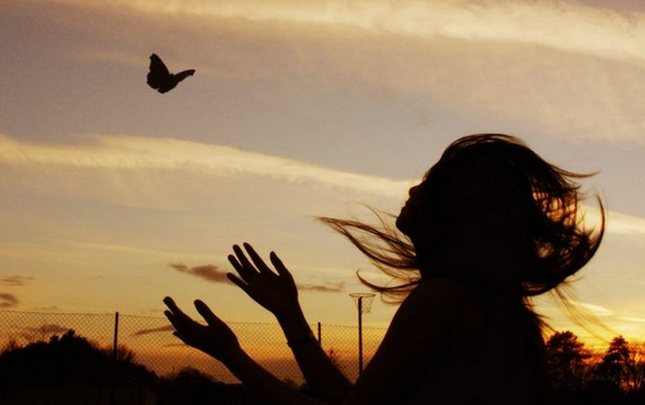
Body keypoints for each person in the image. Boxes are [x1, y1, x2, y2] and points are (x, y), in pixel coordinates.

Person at [163, 133, 605, 404]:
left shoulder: (442, 301)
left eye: (430, 184)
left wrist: (232, 356)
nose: (412, 189)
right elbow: (355, 400)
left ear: (458, 209)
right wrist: (289, 315)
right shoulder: (492, 309)